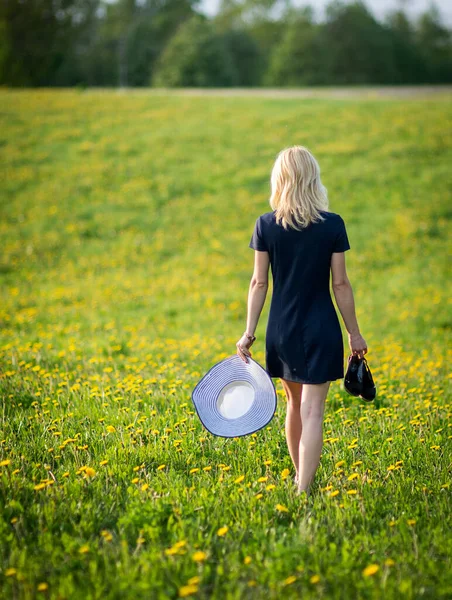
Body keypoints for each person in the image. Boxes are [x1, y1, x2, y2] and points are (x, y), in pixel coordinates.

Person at [236, 145, 367, 498]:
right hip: (322, 327)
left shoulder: (266, 225)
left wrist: (248, 333)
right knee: (313, 411)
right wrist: (354, 333)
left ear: (280, 179)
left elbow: (258, 282)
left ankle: (300, 484)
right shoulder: (332, 225)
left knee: (294, 406)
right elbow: (340, 283)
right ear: (314, 179)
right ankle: (303, 487)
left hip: (282, 329)